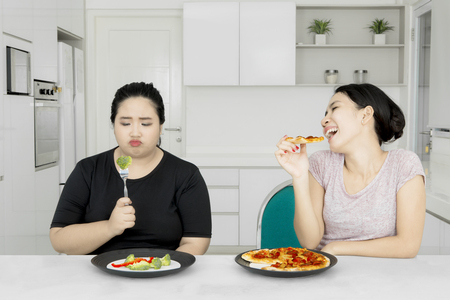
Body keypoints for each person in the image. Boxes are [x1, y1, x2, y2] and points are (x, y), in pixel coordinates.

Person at [50, 82, 212, 255]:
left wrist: (155, 268)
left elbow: (196, 242)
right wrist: (109, 227)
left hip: (163, 275)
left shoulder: (186, 175)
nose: (135, 133)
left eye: (146, 124)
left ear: (161, 127)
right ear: (114, 125)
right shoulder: (88, 170)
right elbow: (59, 240)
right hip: (96, 277)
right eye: (126, 123)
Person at [275, 83, 426, 258]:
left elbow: (408, 245)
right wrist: (299, 176)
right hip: (326, 272)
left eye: (335, 108)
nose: (323, 120)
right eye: (325, 114)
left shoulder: (404, 165)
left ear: (365, 115)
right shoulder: (321, 163)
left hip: (383, 276)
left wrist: (336, 248)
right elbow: (309, 242)